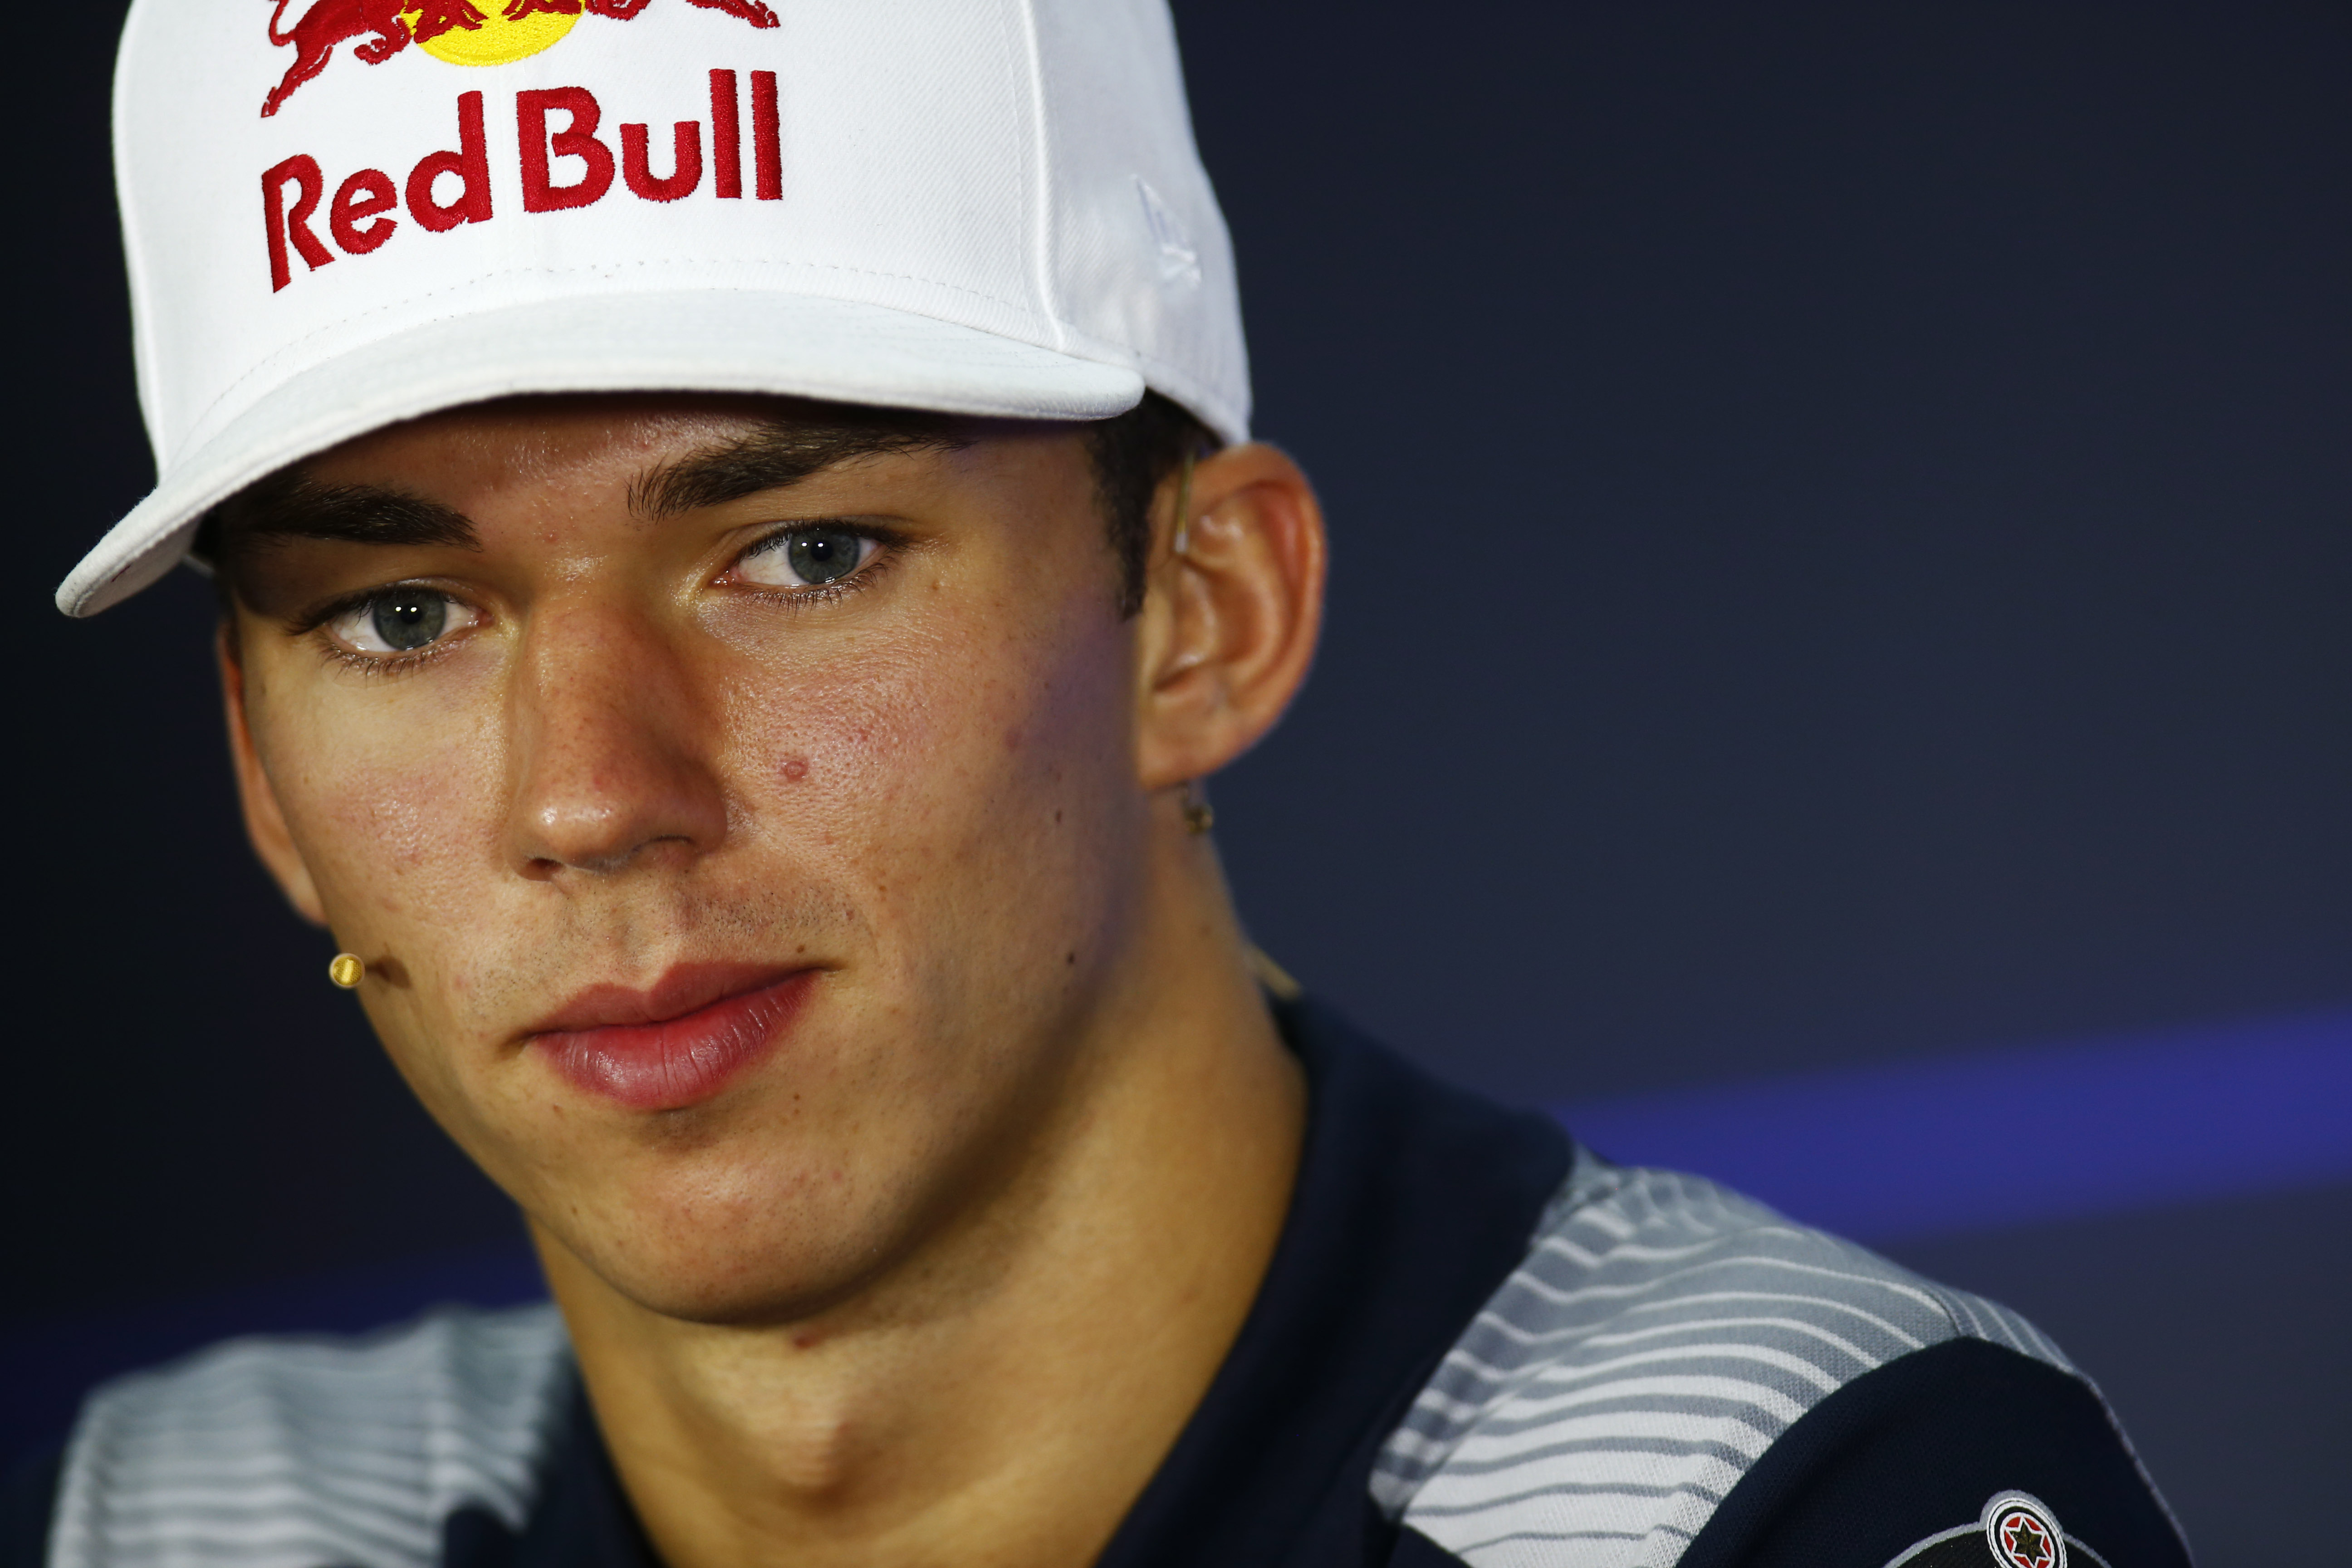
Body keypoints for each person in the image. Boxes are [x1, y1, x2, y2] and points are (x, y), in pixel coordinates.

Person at [9, 2, 2191, 1565]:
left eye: (806, 555)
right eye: (402, 614)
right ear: (265, 780)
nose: (585, 798)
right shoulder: (177, 1521)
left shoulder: (1767, 1496)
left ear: (1204, 613)